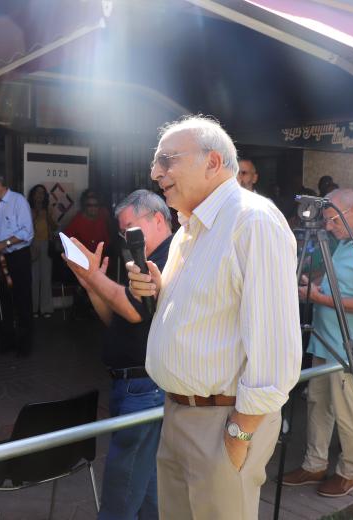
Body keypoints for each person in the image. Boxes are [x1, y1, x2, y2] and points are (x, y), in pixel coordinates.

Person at [127, 115, 302, 519]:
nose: (155, 173)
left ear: (213, 162)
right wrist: (157, 290)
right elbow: (205, 314)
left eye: (167, 160)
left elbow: (275, 349)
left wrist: (239, 433)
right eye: (156, 163)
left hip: (222, 421)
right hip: (178, 414)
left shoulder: (252, 221)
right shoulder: (189, 228)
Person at [284, 188, 353, 497]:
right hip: (325, 341)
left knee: (348, 411)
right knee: (317, 404)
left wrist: (319, 297)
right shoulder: (346, 242)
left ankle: (350, 473)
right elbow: (338, 280)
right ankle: (314, 463)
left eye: (333, 220)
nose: (328, 227)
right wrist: (315, 284)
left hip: (352, 346)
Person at [65, 189, 172, 520]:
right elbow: (118, 317)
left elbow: (136, 312)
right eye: (122, 230)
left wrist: (93, 276)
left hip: (144, 386)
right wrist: (91, 285)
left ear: (157, 219)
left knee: (121, 490)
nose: (125, 237)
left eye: (130, 228)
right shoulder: (145, 256)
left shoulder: (168, 255)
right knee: (145, 484)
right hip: (133, 385)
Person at [0, 174, 34, 355]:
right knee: (2, 300)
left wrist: (4, 244)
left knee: (22, 300)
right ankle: (6, 340)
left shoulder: (18, 201)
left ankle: (25, 345)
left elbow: (27, 232)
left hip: (17, 257)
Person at [28, 184, 57, 318]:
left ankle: (46, 309)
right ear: (33, 195)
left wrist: (46, 215)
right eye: (37, 193)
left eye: (42, 193)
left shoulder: (49, 208)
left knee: (46, 277)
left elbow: (55, 226)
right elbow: (25, 227)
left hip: (46, 243)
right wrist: (36, 215)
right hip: (32, 244)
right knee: (33, 278)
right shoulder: (28, 208)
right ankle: (33, 308)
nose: (40, 195)